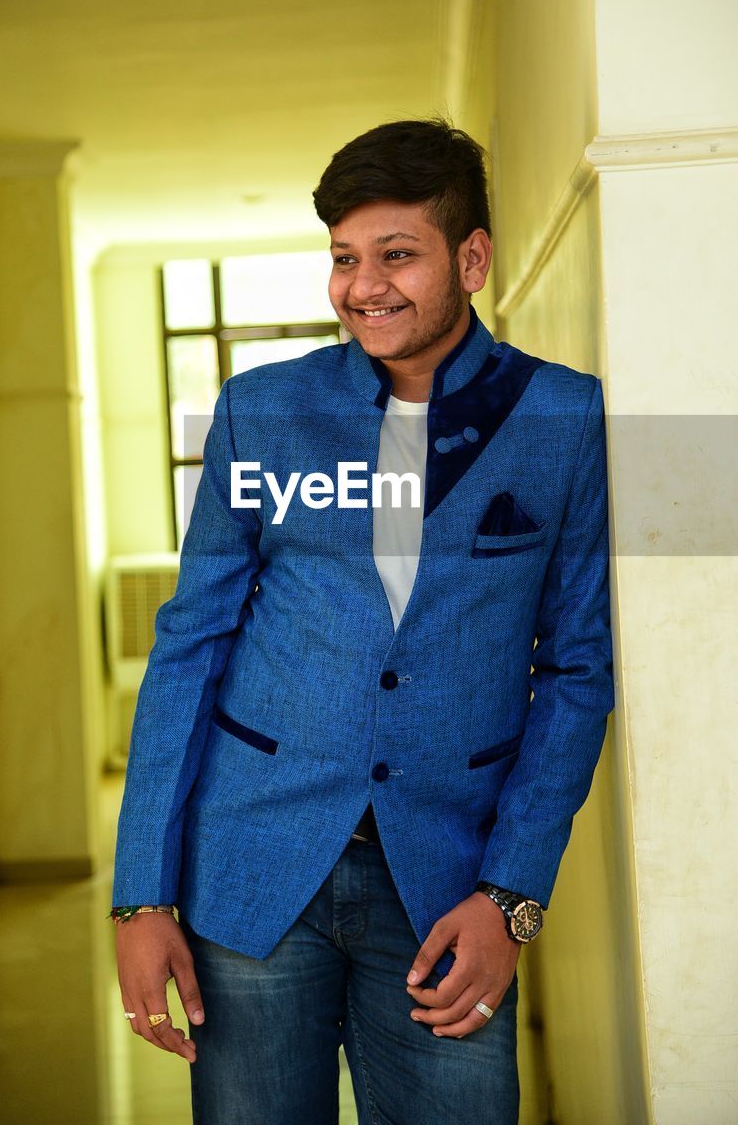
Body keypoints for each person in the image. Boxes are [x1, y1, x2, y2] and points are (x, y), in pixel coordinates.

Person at [110, 118, 613, 1124]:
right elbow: (188, 649)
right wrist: (143, 895)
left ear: (470, 258)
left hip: (447, 883)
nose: (362, 286)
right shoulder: (261, 412)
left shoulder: (558, 418)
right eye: (344, 258)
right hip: (251, 865)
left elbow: (576, 669)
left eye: (396, 255)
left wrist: (513, 896)